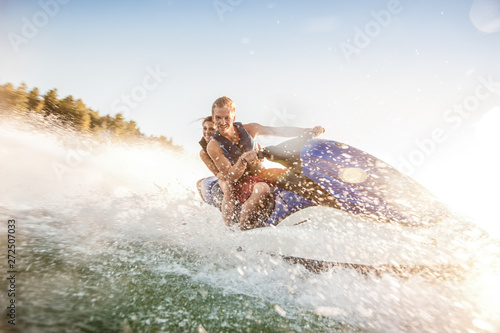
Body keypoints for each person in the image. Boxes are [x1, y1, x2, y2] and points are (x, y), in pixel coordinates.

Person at [207, 96, 325, 230]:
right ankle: (241, 228)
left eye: (227, 118)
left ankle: (317, 206)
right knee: (262, 188)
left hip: (261, 172)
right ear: (213, 118)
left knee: (296, 175)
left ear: (233, 118)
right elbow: (231, 176)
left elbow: (279, 131)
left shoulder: (251, 129)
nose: (222, 122)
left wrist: (307, 131)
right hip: (240, 180)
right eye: (218, 118)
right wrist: (242, 161)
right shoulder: (213, 146)